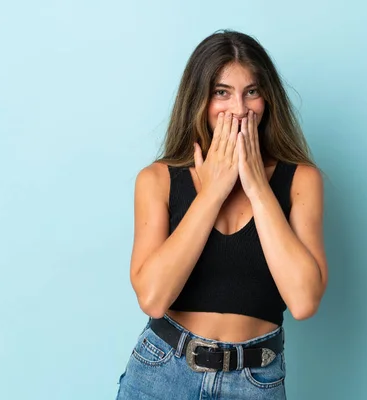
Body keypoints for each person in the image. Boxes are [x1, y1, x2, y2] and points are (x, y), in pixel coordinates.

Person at [115, 29, 328, 399]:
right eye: (222, 92)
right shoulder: (157, 180)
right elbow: (152, 298)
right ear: (199, 99)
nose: (240, 109)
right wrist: (212, 192)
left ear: (267, 98)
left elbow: (304, 300)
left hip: (255, 380)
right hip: (162, 373)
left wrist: (258, 188)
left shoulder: (300, 181)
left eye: (252, 91)